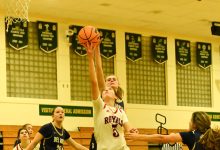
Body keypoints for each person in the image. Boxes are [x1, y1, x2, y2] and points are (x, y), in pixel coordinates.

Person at [86, 42, 137, 150]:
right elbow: (98, 71)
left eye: (114, 79)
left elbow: (127, 126)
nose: (111, 81)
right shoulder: (102, 98)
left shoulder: (121, 105)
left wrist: (132, 130)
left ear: (118, 84)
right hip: (104, 140)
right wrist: (96, 49)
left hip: (118, 142)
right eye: (108, 80)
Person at [125, 111, 220, 150]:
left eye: (190, 120)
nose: (189, 122)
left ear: (195, 124)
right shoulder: (214, 134)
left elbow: (161, 137)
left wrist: (138, 137)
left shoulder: (191, 135)